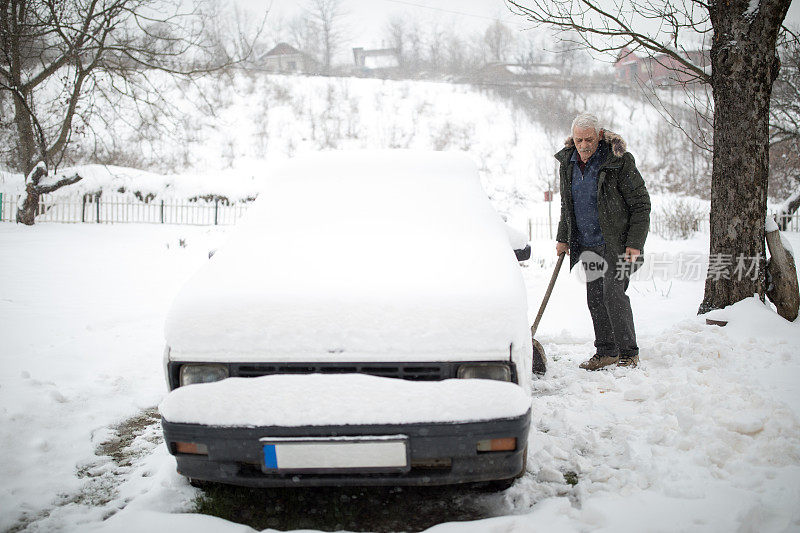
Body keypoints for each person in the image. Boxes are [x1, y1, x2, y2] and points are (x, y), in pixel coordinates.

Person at [554, 113, 650, 370]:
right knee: (595, 297)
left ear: (599, 136)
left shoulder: (618, 162)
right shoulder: (568, 163)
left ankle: (629, 352)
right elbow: (568, 205)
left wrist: (635, 243)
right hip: (587, 244)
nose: (583, 145)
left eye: (588, 139)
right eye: (578, 140)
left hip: (616, 243)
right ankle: (607, 351)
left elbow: (641, 205)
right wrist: (563, 237)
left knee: (614, 294)